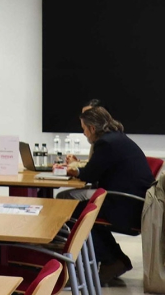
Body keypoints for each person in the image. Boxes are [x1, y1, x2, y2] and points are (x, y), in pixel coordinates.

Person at [57, 107, 154, 284]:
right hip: (132, 202)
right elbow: (97, 170)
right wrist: (79, 168)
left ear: (92, 128)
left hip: (126, 206)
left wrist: (76, 171)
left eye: (84, 129)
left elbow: (89, 175)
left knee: (75, 212)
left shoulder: (106, 143)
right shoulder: (116, 138)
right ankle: (115, 259)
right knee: (77, 207)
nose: (84, 134)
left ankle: (112, 260)